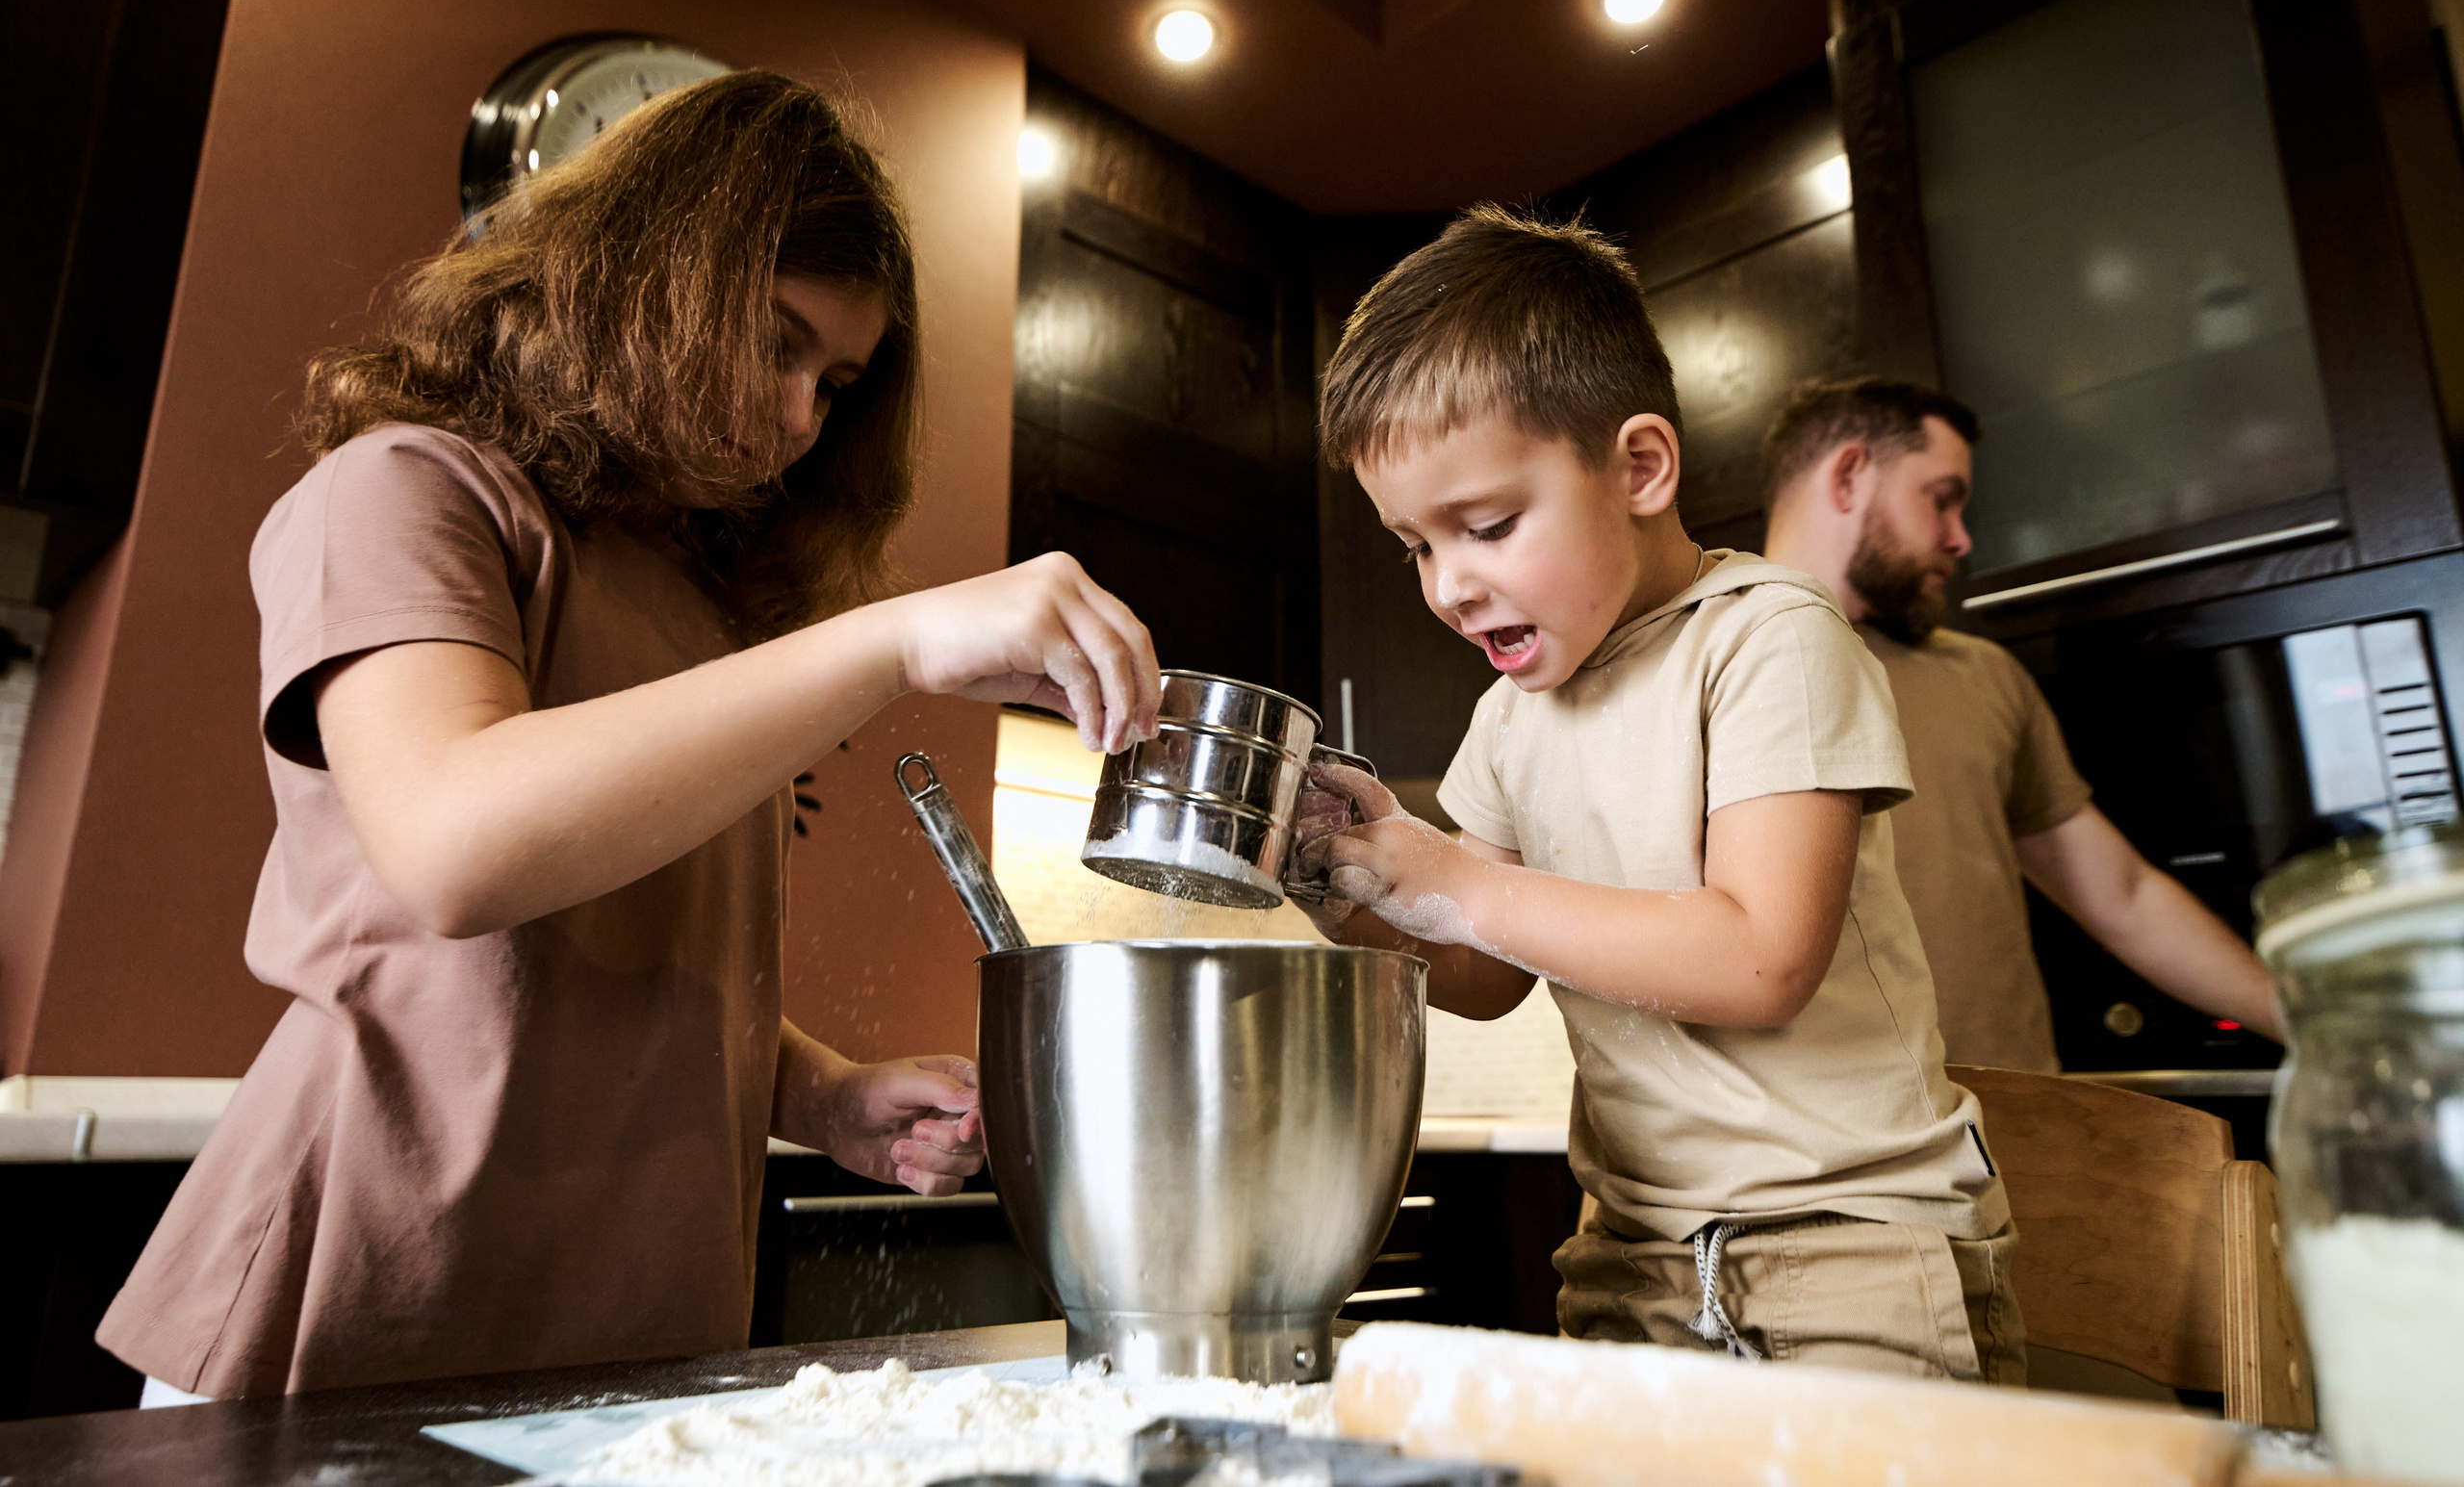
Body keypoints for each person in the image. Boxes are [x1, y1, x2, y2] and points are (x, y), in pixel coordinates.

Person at [97, 71, 1162, 1402]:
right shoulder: (405, 490)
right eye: (775, 341)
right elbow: (457, 847)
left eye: (833, 382)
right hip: (360, 1303)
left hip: (636, 1332)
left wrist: (822, 1095)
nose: (798, 418)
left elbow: (625, 966)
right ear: (643, 278)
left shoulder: (704, 607)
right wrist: (889, 641)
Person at [1292, 206, 2021, 1383]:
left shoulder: (1771, 637)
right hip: (1629, 1260)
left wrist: (1459, 879)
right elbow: (1478, 977)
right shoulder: (1512, 714)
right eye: (1413, 546)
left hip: (1850, 1257)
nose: (1448, 586)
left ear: (1638, 465)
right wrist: (1346, 876)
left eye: (1485, 526)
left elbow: (1760, 958)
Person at [1757, 377, 2281, 1073]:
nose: (1960, 537)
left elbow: (2123, 896)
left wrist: (2312, 1023)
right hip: (1821, 1164)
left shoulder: (1984, 675)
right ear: (1850, 474)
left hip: (2023, 1139)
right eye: (1940, 499)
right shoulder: (1698, 667)